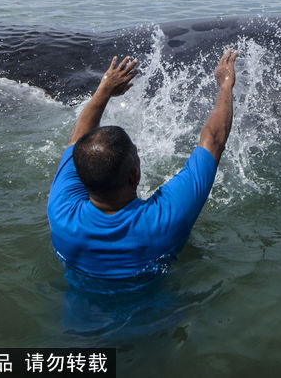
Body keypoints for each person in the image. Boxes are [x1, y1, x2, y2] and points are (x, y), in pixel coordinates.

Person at [47, 49, 238, 280]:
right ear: (134, 175)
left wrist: (104, 89)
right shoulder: (165, 220)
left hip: (78, 316)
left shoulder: (60, 212)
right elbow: (214, 141)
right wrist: (225, 84)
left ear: (77, 173)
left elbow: (77, 141)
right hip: (159, 316)